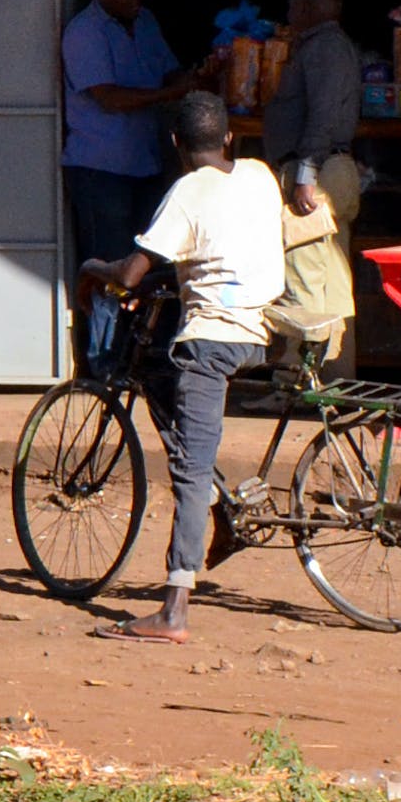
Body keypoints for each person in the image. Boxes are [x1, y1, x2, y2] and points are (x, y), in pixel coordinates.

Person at [77, 89, 284, 644]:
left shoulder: (185, 193)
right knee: (178, 414)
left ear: (174, 144)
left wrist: (93, 267)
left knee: (190, 474)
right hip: (259, 334)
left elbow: (129, 274)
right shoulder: (261, 175)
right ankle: (221, 517)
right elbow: (230, 245)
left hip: (211, 340)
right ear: (228, 139)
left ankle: (173, 610)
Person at [60, 0, 201, 372]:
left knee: (149, 271)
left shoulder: (146, 21)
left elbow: (170, 70)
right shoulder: (84, 32)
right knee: (108, 272)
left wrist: (190, 79)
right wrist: (170, 95)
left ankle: (141, 360)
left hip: (145, 166)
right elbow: (110, 98)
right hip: (100, 171)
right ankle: (104, 366)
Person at [261, 0, 363, 357]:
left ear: (305, 9)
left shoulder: (323, 49)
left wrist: (305, 176)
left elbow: (321, 116)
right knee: (331, 284)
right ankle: (332, 383)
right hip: (329, 169)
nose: (288, 15)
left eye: (291, 7)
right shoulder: (330, 48)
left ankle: (295, 385)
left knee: (303, 279)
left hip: (316, 174)